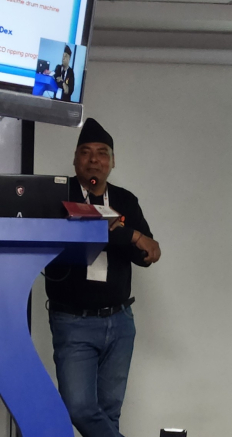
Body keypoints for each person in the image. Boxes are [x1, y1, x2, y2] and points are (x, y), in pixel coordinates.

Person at [46, 118, 161, 437]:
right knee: (80, 409)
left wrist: (133, 237)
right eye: (86, 152)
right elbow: (63, 235)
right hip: (73, 322)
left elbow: (148, 254)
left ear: (112, 162)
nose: (94, 159)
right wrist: (129, 235)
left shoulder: (125, 200)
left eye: (102, 153)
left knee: (109, 414)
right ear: (74, 158)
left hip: (120, 321)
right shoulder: (58, 195)